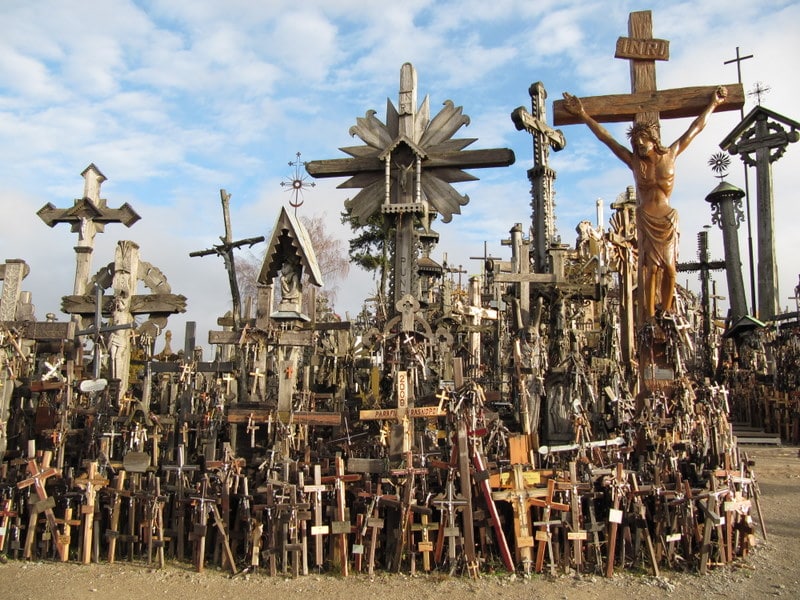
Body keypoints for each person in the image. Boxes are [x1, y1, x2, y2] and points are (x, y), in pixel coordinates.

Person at [561, 86, 728, 322]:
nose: (639, 144)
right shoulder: (634, 162)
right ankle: (650, 317)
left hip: (667, 217)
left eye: (643, 139)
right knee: (649, 270)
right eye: (636, 140)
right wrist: (582, 114)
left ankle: (666, 311)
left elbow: (695, 129)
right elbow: (606, 139)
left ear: (653, 139)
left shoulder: (670, 154)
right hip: (646, 217)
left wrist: (713, 104)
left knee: (670, 269)